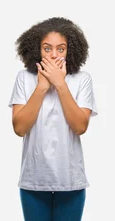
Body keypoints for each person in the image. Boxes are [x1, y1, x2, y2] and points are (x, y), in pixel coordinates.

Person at [10, 17, 96, 221]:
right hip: (33, 179)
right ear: (37, 50)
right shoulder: (24, 78)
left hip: (70, 180)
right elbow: (20, 128)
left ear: (70, 50)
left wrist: (60, 84)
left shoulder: (82, 79)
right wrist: (41, 87)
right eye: (47, 48)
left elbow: (80, 126)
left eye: (61, 48)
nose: (54, 54)